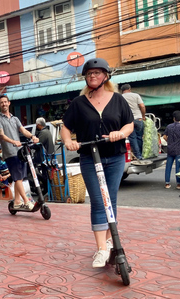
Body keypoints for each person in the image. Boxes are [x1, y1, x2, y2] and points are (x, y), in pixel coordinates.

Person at [60, 58, 134, 268]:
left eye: (97, 73)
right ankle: (101, 249)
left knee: (111, 200)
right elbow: (66, 127)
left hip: (115, 157)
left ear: (105, 76)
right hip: (89, 157)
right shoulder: (78, 103)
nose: (93, 76)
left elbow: (129, 124)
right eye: (89, 73)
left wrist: (120, 133)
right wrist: (68, 141)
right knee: (98, 201)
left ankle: (111, 241)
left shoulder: (118, 99)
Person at [0, 94, 39, 210]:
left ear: (9, 103)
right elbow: (2, 136)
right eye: (1, 102)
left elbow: (23, 130)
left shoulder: (15, 119)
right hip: (9, 152)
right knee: (17, 178)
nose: (4, 104)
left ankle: (17, 201)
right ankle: (26, 201)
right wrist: (14, 142)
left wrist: (32, 136)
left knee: (19, 177)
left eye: (5, 102)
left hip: (20, 152)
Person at [121, 84, 146, 162]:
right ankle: (142, 154)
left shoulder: (121, 97)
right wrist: (143, 116)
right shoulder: (136, 95)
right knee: (139, 137)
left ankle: (138, 155)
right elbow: (142, 106)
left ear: (122, 90)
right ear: (129, 89)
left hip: (128, 120)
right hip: (138, 118)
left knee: (133, 138)